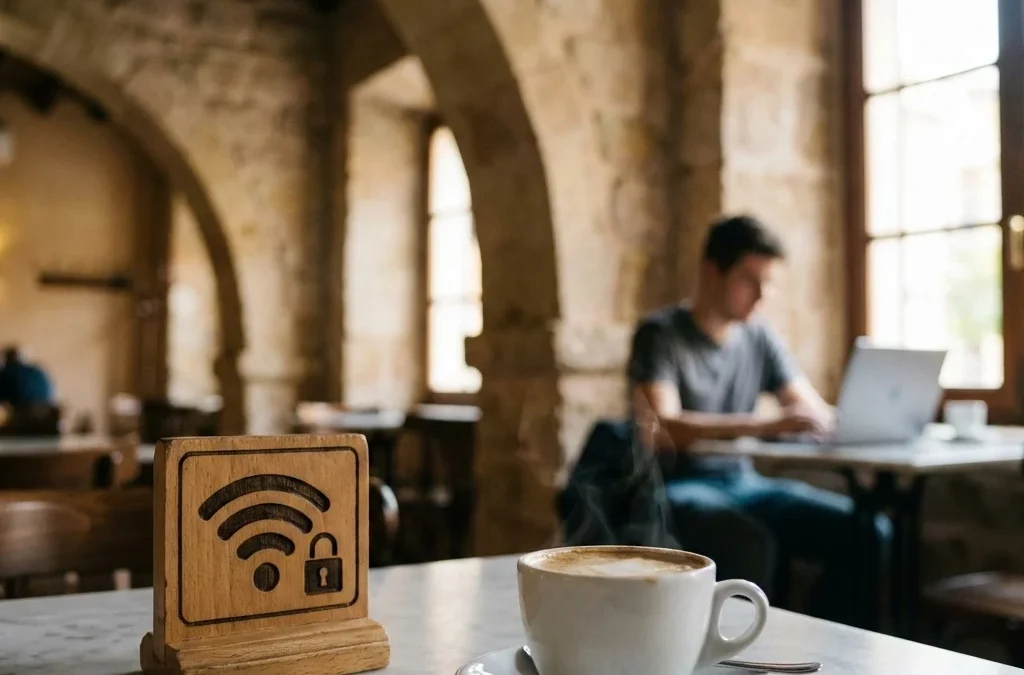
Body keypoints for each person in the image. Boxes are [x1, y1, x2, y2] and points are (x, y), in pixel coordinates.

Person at [627, 214, 889, 627]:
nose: (761, 295)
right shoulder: (660, 334)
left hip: (745, 483)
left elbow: (810, 411)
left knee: (868, 531)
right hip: (678, 484)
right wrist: (764, 425)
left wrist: (866, 420)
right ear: (712, 270)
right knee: (749, 540)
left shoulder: (759, 335)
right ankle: (740, 659)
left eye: (768, 282)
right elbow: (664, 428)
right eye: (749, 280)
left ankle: (827, 654)